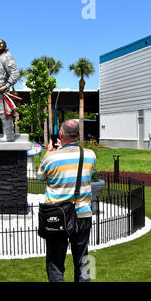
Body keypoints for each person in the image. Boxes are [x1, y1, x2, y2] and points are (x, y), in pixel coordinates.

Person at [37, 119, 97, 282]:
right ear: (78, 135)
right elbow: (90, 175)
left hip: (58, 216)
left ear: (61, 134)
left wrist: (50, 151)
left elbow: (40, 177)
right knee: (83, 260)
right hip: (83, 214)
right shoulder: (90, 155)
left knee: (55, 262)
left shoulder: (51, 158)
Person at [0, 39, 20, 142]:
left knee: (5, 113)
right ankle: (7, 134)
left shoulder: (7, 57)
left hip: (3, 91)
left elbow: (15, 73)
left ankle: (9, 135)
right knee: (1, 113)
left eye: (1, 43)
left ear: (5, 46)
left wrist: (6, 85)